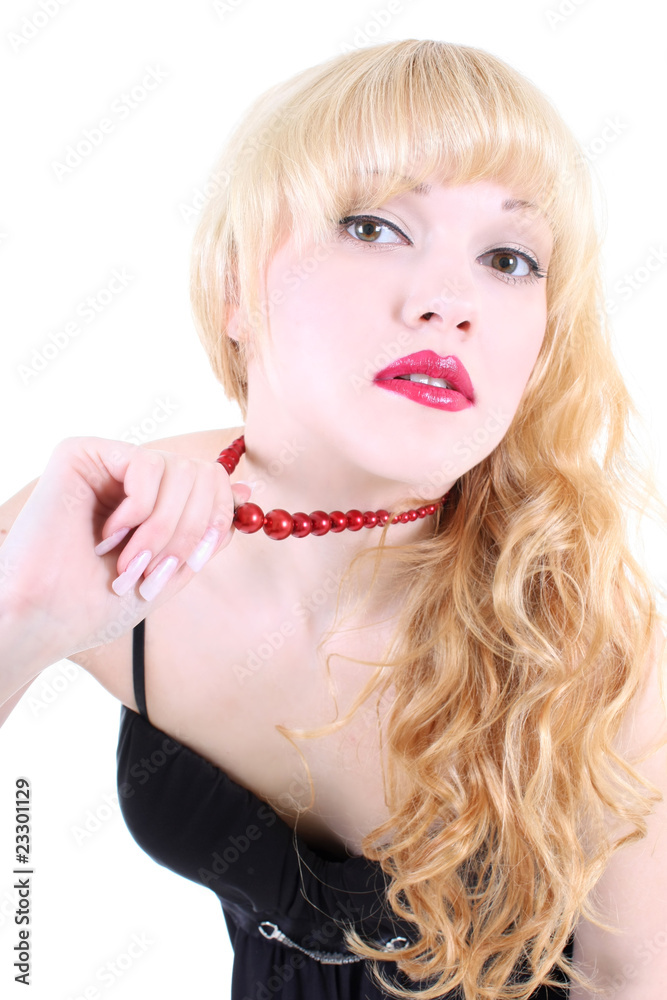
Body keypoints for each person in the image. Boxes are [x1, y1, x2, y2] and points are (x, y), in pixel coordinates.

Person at [1, 38, 665, 1000]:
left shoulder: (589, 631)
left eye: (508, 259)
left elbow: (633, 978)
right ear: (235, 289)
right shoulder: (99, 526)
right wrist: (20, 619)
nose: (449, 302)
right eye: (372, 225)